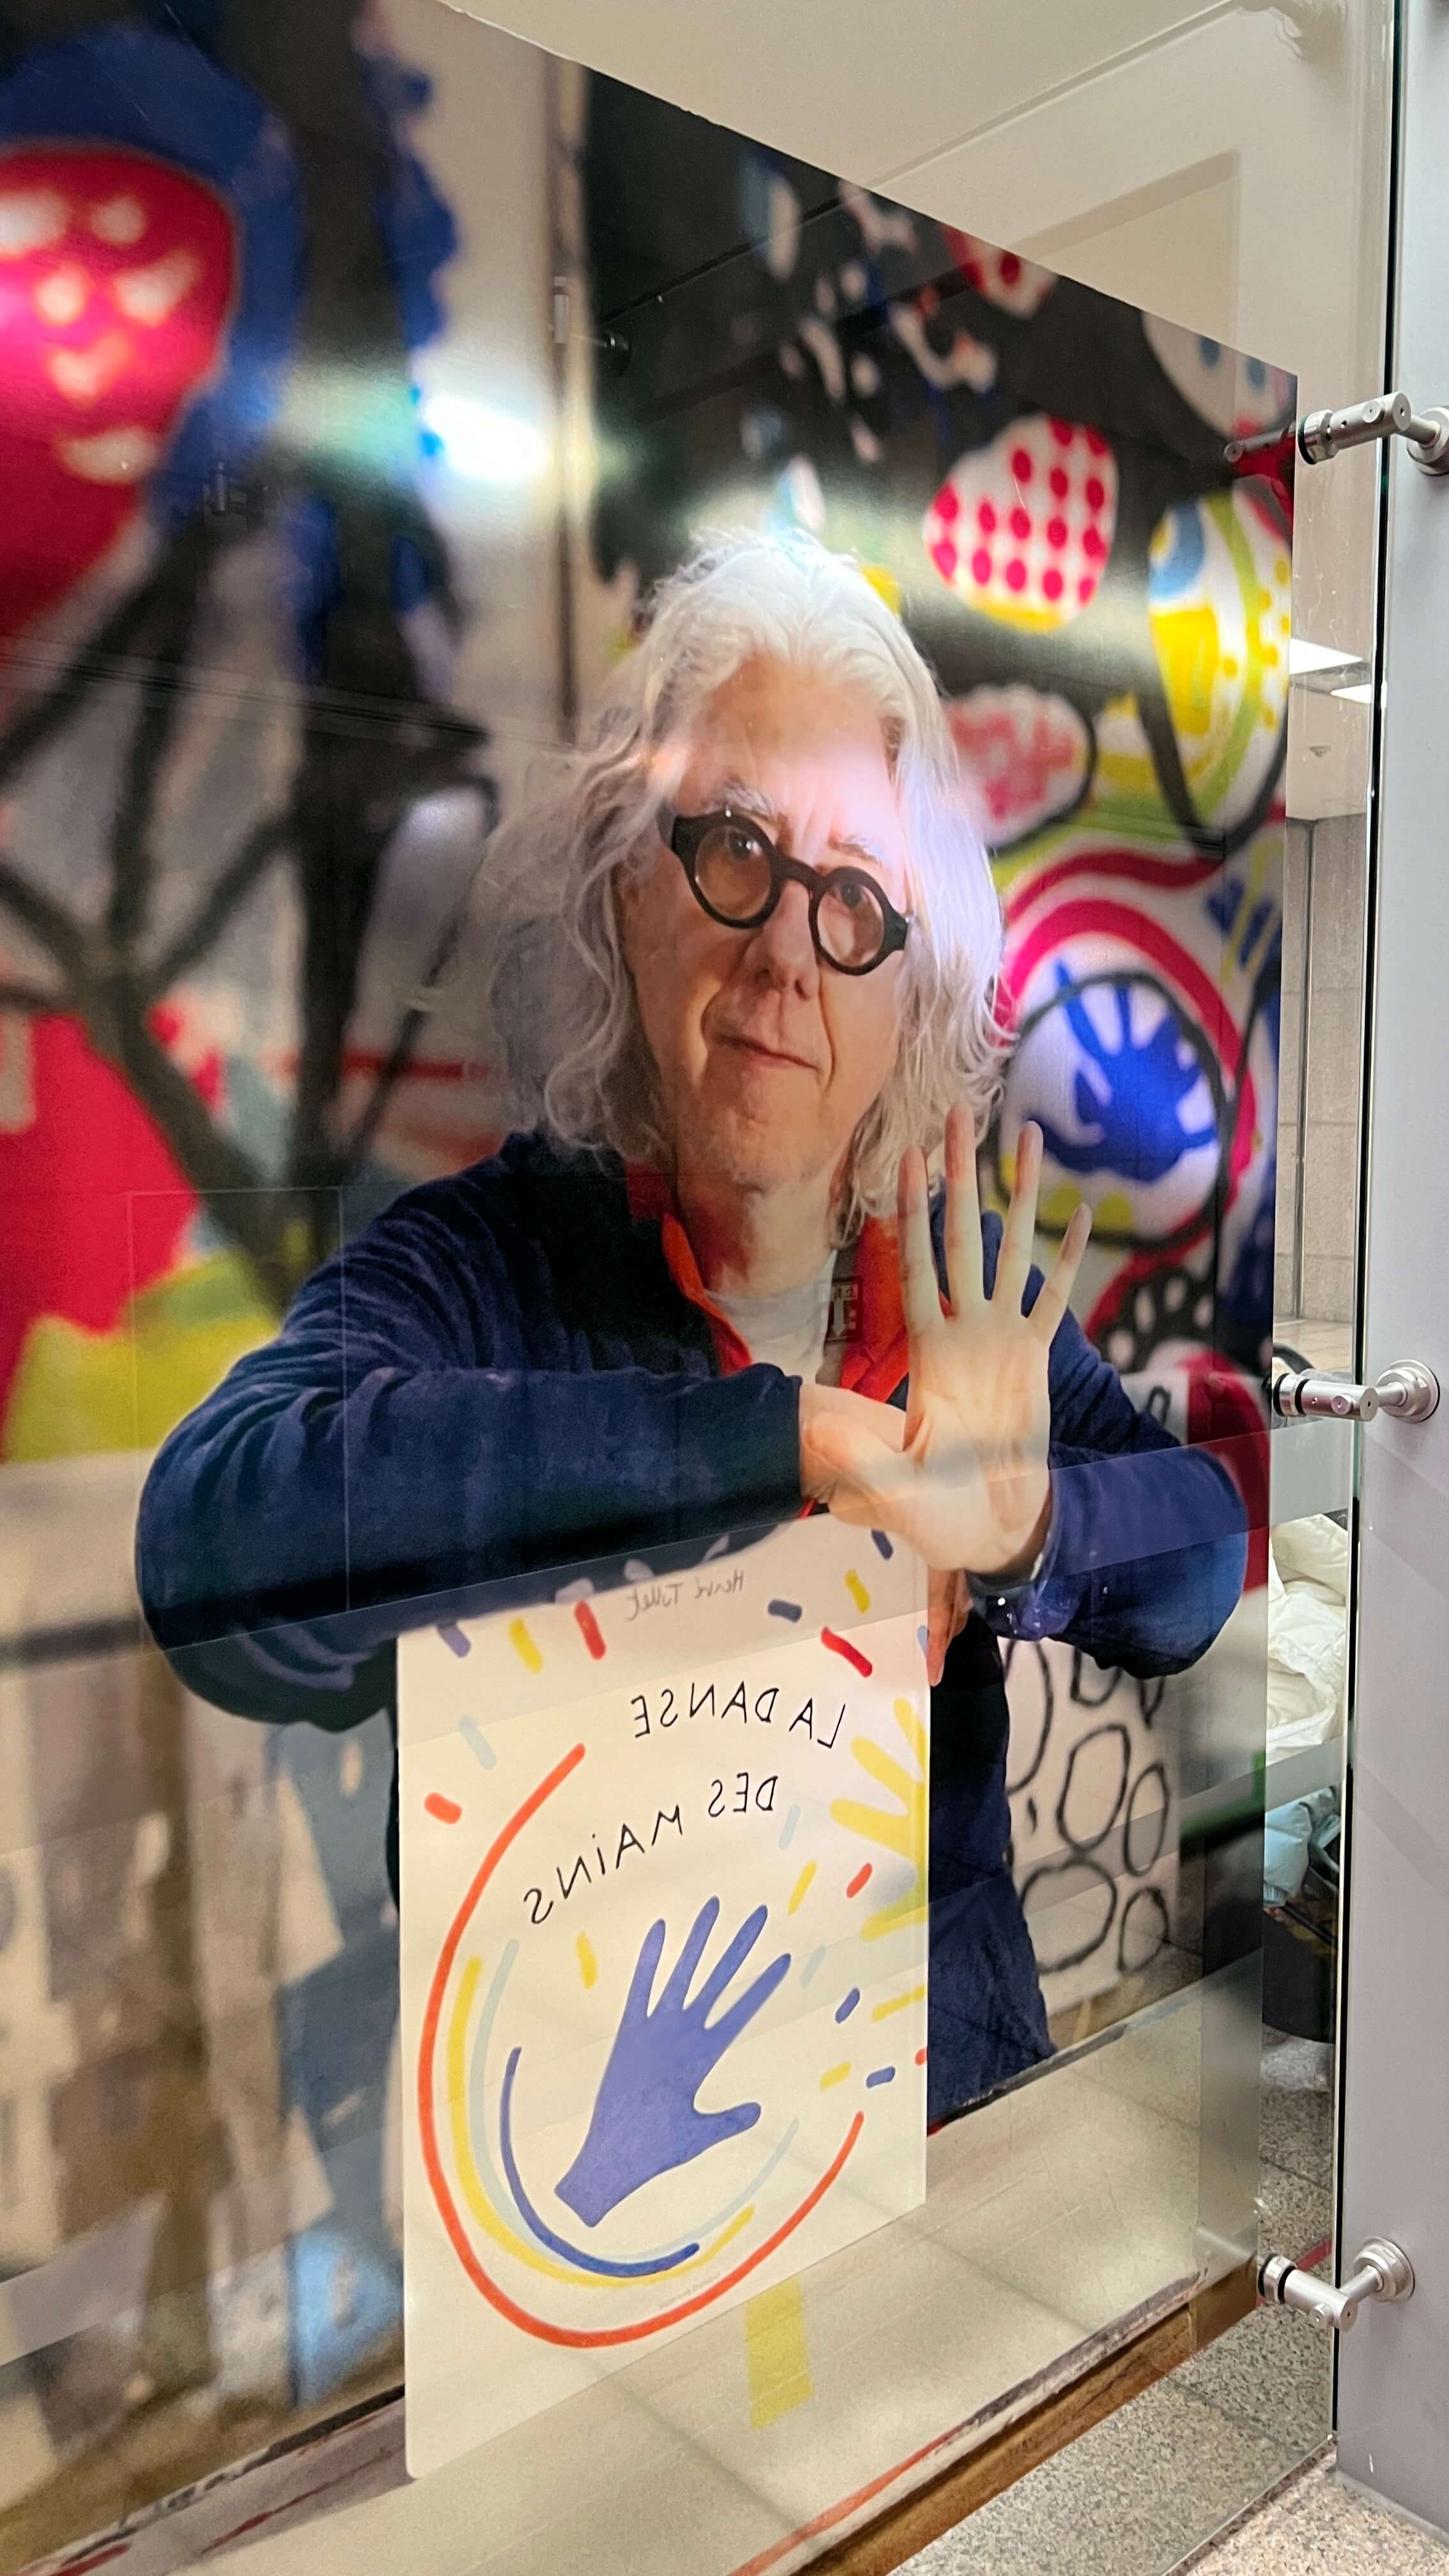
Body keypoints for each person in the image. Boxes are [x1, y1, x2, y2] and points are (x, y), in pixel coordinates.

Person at [137, 530, 1248, 2119]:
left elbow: (1199, 1558)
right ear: (626, 894)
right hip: (585, 2184)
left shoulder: (947, 1286)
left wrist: (1022, 1526)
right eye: (735, 848)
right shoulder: (488, 1265)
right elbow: (212, 1545)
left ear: (906, 990)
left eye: (857, 897)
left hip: (939, 2134)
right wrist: (782, 1448)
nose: (790, 948)